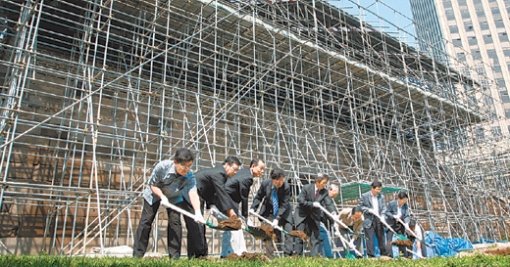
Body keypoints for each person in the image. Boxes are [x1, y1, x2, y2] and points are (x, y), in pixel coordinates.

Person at [133, 148, 204, 258]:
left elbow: (193, 193)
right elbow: (153, 185)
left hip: (174, 196)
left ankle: (174, 257)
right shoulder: (163, 166)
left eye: (189, 166)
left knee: (175, 222)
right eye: (184, 166)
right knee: (146, 222)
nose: (187, 169)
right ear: (175, 162)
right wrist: (162, 197)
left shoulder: (189, 176)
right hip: (153, 194)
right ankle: (137, 255)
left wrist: (198, 211)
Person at [192, 156, 242, 257]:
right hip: (193, 192)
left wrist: (212, 206)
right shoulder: (220, 173)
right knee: (197, 224)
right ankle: (199, 255)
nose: (236, 172)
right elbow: (221, 193)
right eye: (235, 169)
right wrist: (231, 213)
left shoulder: (219, 173)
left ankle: (201, 254)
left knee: (199, 224)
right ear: (227, 165)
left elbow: (212, 192)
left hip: (200, 193)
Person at [221, 158, 266, 257]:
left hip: (229, 200)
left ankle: (238, 252)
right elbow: (244, 197)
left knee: (234, 226)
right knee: (233, 225)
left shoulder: (245, 173)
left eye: (264, 170)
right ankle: (228, 253)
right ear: (253, 166)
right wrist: (246, 217)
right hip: (227, 200)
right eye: (261, 168)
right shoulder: (248, 178)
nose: (262, 171)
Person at [249, 168, 291, 257]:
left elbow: (284, 205)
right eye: (277, 182)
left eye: (282, 181)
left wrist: (277, 218)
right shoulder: (265, 183)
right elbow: (259, 197)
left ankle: (288, 257)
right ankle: (270, 257)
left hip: (284, 211)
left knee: (288, 231)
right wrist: (253, 208)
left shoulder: (286, 187)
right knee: (267, 232)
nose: (280, 183)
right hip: (269, 211)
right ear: (272, 180)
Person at [294, 173, 336, 257]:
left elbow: (329, 203)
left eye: (326, 183)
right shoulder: (307, 188)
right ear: (317, 181)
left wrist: (333, 213)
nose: (325, 185)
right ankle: (297, 258)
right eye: (324, 183)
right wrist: (312, 204)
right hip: (302, 215)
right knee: (300, 236)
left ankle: (314, 258)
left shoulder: (324, 192)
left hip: (314, 216)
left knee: (315, 237)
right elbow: (300, 200)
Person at [358, 180, 389, 257]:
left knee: (381, 237)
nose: (379, 191)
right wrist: (369, 210)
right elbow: (360, 207)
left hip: (379, 219)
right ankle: (371, 255)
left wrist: (382, 215)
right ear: (372, 188)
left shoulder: (381, 196)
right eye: (377, 189)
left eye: (380, 189)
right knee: (370, 238)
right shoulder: (365, 196)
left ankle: (384, 254)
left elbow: (384, 207)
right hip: (369, 220)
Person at [385, 191, 410, 257]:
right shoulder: (391, 204)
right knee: (389, 239)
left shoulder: (405, 205)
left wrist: (407, 223)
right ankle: (389, 256)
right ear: (398, 199)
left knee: (401, 238)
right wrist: (393, 216)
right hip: (391, 223)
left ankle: (403, 256)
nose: (404, 202)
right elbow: (387, 212)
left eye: (405, 201)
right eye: (403, 200)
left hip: (400, 224)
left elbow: (407, 215)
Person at [319, 184, 339, 258]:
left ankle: (324, 256)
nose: (337, 194)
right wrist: (334, 215)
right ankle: (329, 256)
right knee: (325, 234)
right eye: (336, 192)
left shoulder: (329, 198)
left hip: (322, 220)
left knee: (322, 237)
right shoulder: (326, 195)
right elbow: (329, 206)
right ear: (330, 190)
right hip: (317, 219)